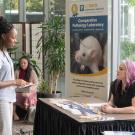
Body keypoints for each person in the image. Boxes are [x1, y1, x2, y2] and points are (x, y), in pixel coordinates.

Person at [0, 16, 28, 135]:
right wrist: (15, 82)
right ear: (3, 36)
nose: (15, 40)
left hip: (9, 98)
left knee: (7, 131)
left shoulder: (5, 52)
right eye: (13, 37)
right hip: (2, 100)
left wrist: (18, 83)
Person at [13, 56, 38, 121]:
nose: (23, 64)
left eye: (24, 63)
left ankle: (30, 116)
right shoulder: (17, 71)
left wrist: (29, 89)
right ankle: (14, 114)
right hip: (19, 90)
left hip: (30, 90)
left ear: (28, 63)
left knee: (26, 95)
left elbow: (36, 84)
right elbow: (14, 82)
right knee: (12, 95)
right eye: (21, 63)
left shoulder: (32, 72)